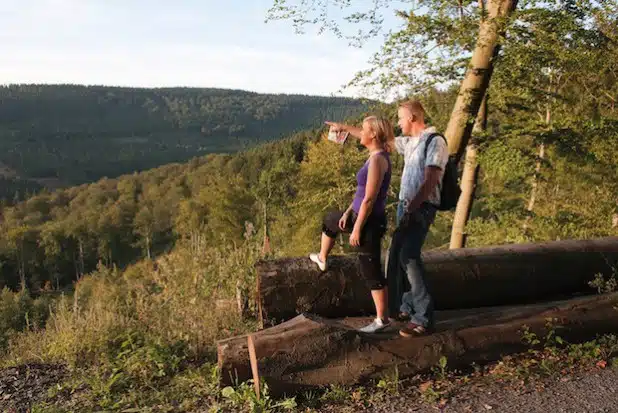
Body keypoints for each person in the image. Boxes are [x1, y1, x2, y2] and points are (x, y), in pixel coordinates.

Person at [308, 116, 394, 333]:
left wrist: (356, 228)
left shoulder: (377, 160)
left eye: (364, 130)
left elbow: (369, 198)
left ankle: (382, 320)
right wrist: (347, 212)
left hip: (368, 221)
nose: (360, 133)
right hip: (357, 215)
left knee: (370, 269)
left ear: (373, 134)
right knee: (330, 220)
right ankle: (322, 257)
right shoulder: (374, 155)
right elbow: (360, 194)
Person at [388, 100, 449, 338]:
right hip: (407, 206)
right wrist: (345, 130)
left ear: (412, 118)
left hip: (420, 208)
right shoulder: (411, 143)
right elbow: (384, 140)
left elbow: (432, 178)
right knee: (402, 257)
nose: (398, 122)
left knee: (408, 256)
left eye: (401, 118)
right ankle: (408, 306)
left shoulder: (435, 142)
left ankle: (423, 318)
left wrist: (414, 206)